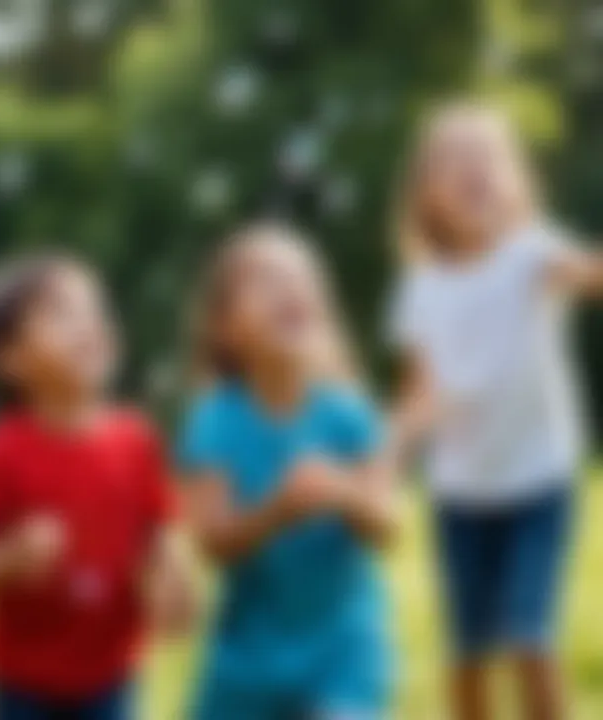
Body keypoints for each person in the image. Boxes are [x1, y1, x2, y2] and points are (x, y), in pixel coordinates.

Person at [390, 102, 603, 720]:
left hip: (539, 481)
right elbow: (419, 394)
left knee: (528, 637)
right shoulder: (421, 286)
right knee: (466, 653)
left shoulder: (530, 254)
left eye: (487, 159)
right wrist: (388, 456)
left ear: (516, 181)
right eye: (455, 161)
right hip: (461, 494)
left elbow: (589, 275)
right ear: (426, 193)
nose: (474, 170)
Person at [0, 253, 195, 720]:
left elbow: (157, 536)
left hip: (110, 673)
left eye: (95, 310)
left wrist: (172, 586)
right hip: (21, 681)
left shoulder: (136, 440)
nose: (87, 325)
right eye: (61, 314)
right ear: (7, 360)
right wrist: (9, 556)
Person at [177, 223, 399, 720]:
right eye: (266, 281)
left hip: (343, 652)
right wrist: (276, 512)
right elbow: (211, 544)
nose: (290, 289)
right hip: (248, 662)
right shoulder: (214, 421)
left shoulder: (349, 415)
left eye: (303, 279)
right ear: (225, 328)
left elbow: (387, 526)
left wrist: (344, 496)